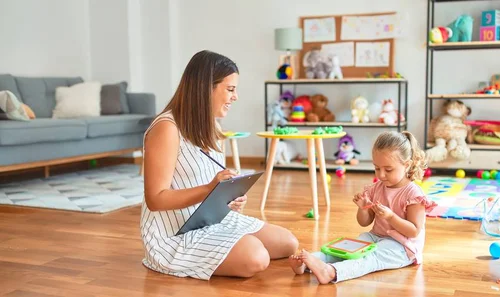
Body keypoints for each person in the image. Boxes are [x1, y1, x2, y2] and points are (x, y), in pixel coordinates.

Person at [141, 50, 299, 280]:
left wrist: (228, 199)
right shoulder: (166, 128)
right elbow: (155, 199)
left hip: (209, 220)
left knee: (288, 244)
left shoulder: (209, 127)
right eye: (231, 89)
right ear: (206, 88)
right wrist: (209, 190)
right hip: (173, 234)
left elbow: (208, 183)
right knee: (257, 257)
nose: (236, 97)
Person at [289, 131, 437, 284]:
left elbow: (414, 231)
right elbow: (364, 222)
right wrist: (363, 208)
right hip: (376, 237)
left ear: (406, 165)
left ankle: (331, 272)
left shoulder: (414, 194)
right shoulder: (377, 188)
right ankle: (308, 263)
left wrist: (390, 217)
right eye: (377, 168)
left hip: (403, 247)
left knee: (369, 258)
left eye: (388, 169)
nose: (381, 175)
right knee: (350, 249)